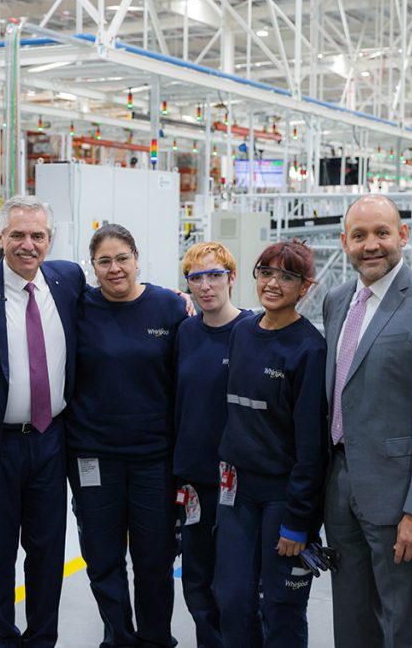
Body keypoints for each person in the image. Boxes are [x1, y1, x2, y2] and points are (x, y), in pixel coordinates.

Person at [321, 195, 412, 648]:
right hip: (341, 485)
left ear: (403, 236)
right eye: (360, 235)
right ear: (345, 242)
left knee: (402, 622)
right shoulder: (336, 299)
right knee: (350, 617)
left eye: (382, 233)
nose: (371, 245)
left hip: (400, 496)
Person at [0, 196, 85, 648]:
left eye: (37, 236)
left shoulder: (67, 281)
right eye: (18, 234)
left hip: (51, 440)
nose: (28, 244)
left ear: (50, 241)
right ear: (0, 236)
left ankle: (43, 639)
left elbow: (119, 297)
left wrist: (179, 300)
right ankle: (2, 640)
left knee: (47, 553)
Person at [66, 223, 188, 647]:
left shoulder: (169, 308)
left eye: (122, 258)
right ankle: (118, 638)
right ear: (93, 266)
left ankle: (156, 639)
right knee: (102, 559)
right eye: (104, 261)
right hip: (92, 457)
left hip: (154, 457)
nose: (114, 268)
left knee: (154, 560)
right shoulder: (79, 307)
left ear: (137, 258)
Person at [214, 240, 328, 648]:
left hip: (283, 495)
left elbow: (312, 445)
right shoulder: (242, 332)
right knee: (232, 598)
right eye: (265, 272)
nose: (273, 283)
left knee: (280, 605)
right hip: (237, 491)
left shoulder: (310, 348)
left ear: (305, 287)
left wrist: (299, 520)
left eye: (287, 276)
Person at [174, 242, 251, 648]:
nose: (206, 285)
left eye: (215, 275)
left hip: (240, 484)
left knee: (236, 586)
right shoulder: (185, 331)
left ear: (232, 278)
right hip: (194, 481)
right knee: (197, 581)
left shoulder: (253, 331)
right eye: (196, 277)